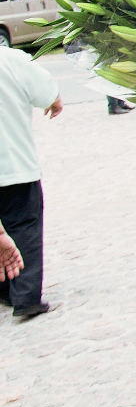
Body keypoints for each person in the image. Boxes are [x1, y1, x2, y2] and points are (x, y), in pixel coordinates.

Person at [0, 45, 63, 319]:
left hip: (16, 165)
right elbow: (47, 91)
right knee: (24, 225)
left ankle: (3, 290)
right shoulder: (11, 59)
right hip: (15, 164)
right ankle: (25, 297)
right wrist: (54, 101)